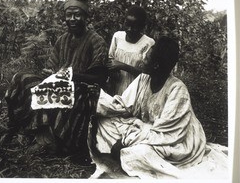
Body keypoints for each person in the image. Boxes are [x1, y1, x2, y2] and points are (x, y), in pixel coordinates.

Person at [3, 0, 108, 156]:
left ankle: (47, 140)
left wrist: (71, 76)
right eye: (69, 15)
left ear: (85, 16)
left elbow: (99, 78)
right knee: (21, 79)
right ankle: (17, 127)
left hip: (82, 90)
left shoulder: (96, 41)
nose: (72, 19)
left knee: (51, 93)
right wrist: (50, 72)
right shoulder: (63, 40)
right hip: (57, 83)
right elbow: (52, 67)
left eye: (77, 15)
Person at [88, 36, 209, 179]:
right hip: (144, 130)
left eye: (147, 57)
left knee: (141, 153)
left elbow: (166, 133)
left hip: (172, 140)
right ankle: (124, 157)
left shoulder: (177, 90)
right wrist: (99, 98)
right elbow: (122, 105)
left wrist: (126, 140)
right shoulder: (143, 79)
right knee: (104, 122)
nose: (142, 59)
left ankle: (127, 157)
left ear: (156, 65)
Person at [107, 6, 155, 95]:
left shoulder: (148, 43)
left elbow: (147, 74)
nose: (129, 29)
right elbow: (110, 60)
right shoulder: (117, 36)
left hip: (135, 91)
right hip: (116, 87)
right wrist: (112, 72)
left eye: (134, 26)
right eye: (127, 24)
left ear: (142, 27)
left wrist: (123, 66)